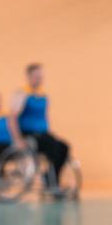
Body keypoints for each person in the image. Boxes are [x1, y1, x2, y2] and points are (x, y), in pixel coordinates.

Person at [9, 63, 70, 192]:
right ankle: (50, 181)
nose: (39, 79)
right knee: (53, 147)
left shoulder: (43, 96)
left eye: (41, 76)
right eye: (36, 76)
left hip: (43, 134)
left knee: (64, 147)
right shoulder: (22, 94)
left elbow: (44, 117)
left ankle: (50, 178)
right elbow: (12, 118)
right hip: (28, 134)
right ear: (29, 76)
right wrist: (18, 140)